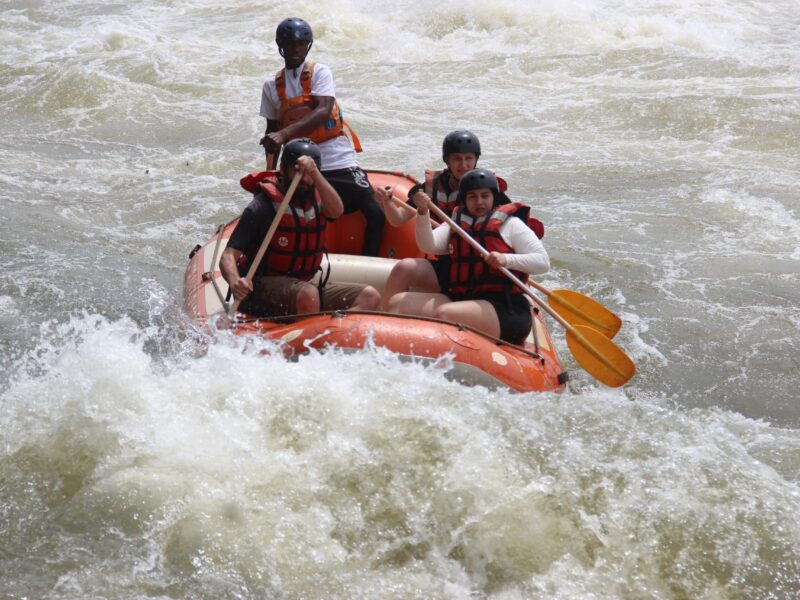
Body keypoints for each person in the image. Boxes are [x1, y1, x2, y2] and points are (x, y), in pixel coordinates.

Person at [258, 17, 385, 256]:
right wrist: (271, 174)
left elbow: (323, 110)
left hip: (336, 156)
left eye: (301, 44)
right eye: (289, 44)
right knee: (290, 217)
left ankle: (370, 262)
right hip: (298, 161)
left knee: (375, 213)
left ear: (308, 45)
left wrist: (284, 134)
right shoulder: (270, 86)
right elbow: (271, 132)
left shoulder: (320, 72)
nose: (295, 50)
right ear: (280, 47)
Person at [385, 168, 549, 345]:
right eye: (472, 197)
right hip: (463, 297)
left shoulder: (511, 225)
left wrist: (506, 259)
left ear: (494, 197)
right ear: (464, 199)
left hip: (506, 309)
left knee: (446, 314)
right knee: (397, 303)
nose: (479, 202)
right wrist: (423, 213)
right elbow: (428, 245)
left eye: (485, 196)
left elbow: (542, 262)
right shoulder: (458, 223)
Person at [220, 139, 381, 317]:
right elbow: (228, 256)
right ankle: (306, 337)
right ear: (283, 169)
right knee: (308, 295)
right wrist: (235, 282)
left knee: (369, 296)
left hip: (304, 282)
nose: (304, 179)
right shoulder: (263, 206)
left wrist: (315, 173)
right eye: (297, 172)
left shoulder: (317, 199)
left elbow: (337, 211)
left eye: (310, 174)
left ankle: (330, 332)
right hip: (261, 286)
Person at [376, 130, 487, 310]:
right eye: (457, 159)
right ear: (447, 161)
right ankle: (381, 316)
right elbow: (397, 220)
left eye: (468, 158)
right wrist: (387, 203)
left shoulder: (487, 190)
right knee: (403, 268)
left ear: (476, 159)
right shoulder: (431, 187)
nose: (464, 165)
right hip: (446, 264)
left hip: (475, 268)